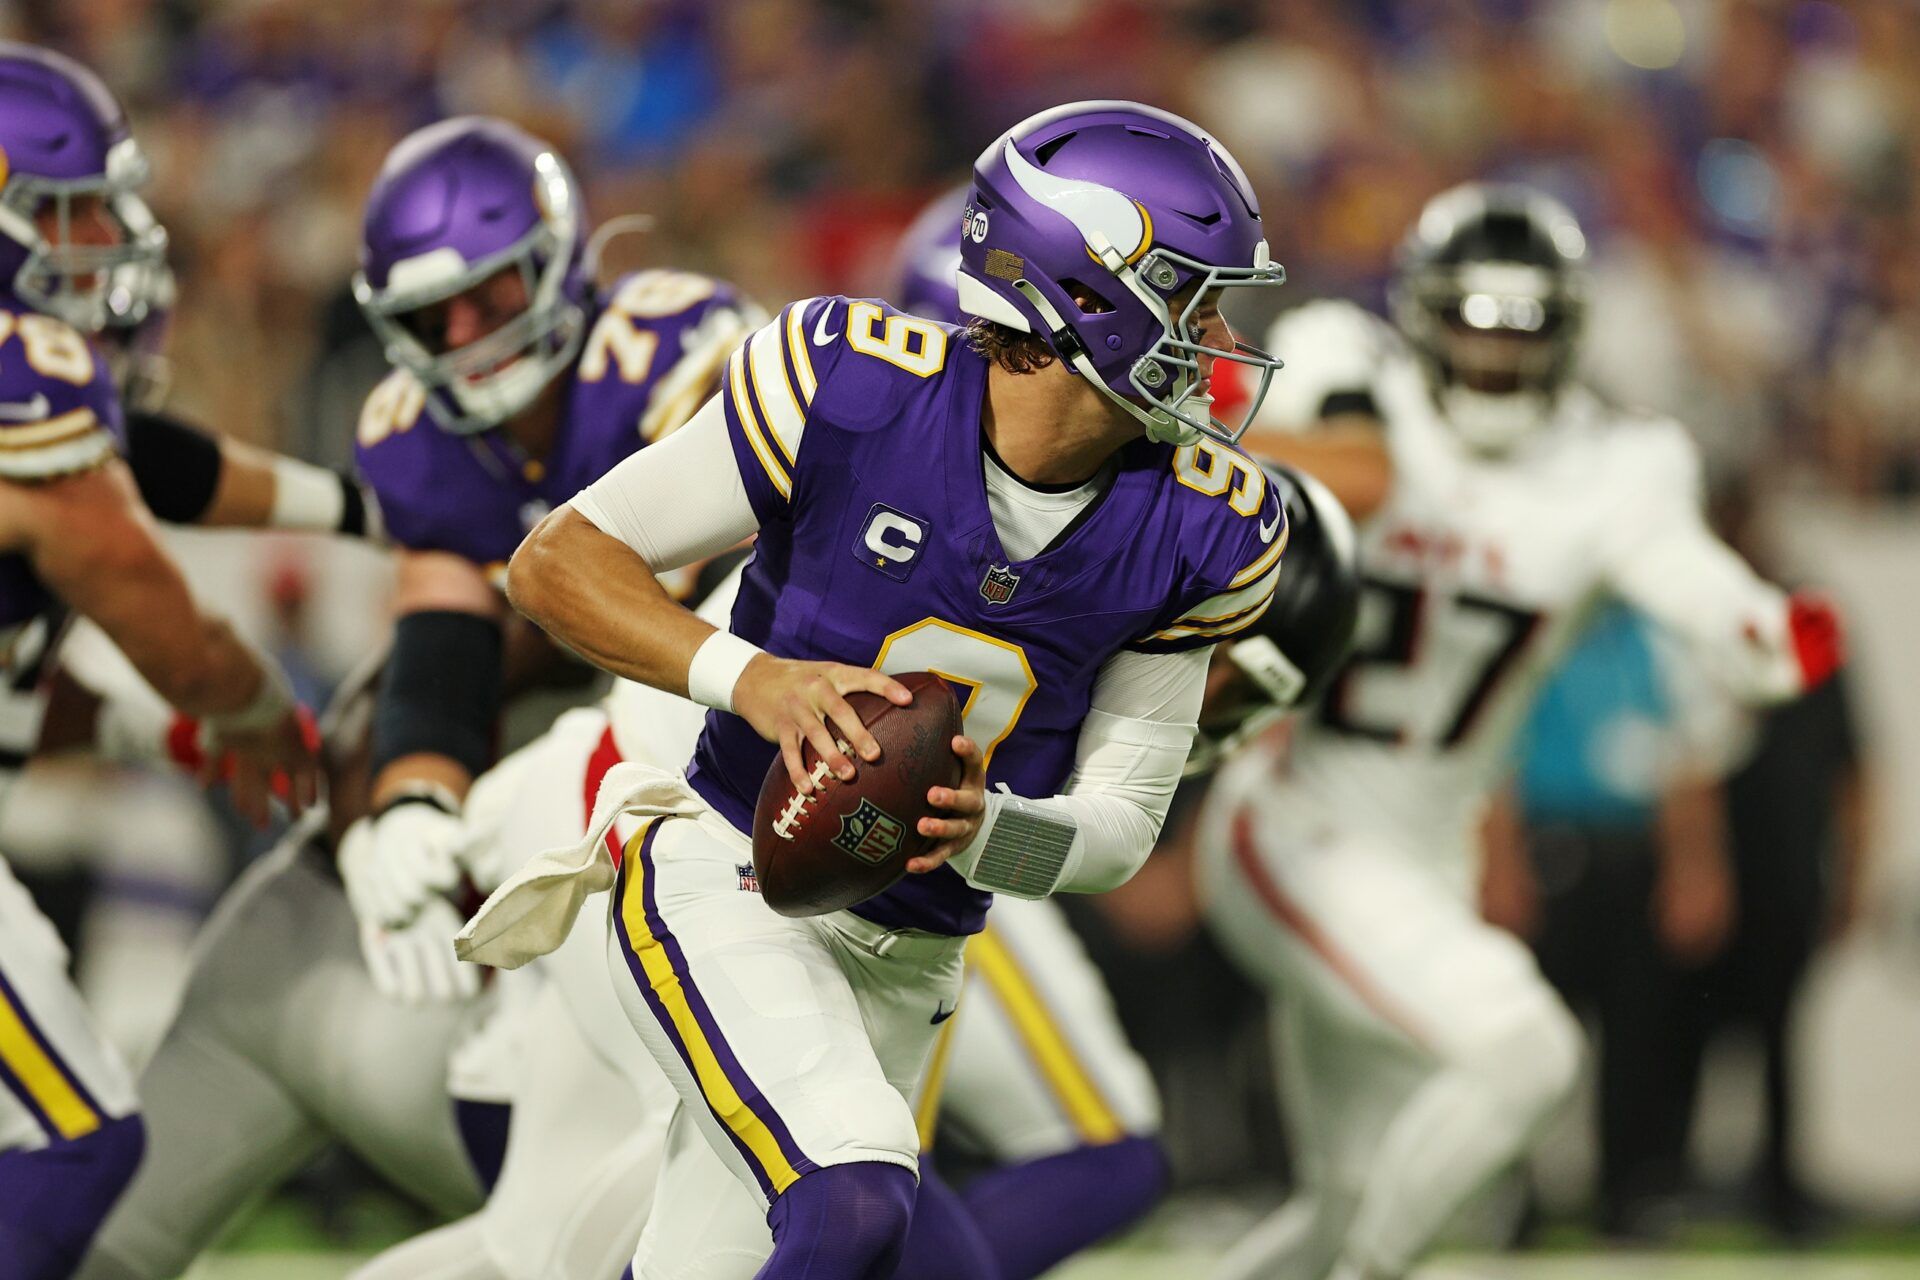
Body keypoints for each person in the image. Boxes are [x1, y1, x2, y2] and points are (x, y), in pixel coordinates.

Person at [467, 99, 1294, 1279]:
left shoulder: (1208, 524)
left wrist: (992, 829)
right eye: (1193, 295)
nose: (1216, 336)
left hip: (916, 956)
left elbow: (1119, 826)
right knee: (855, 1197)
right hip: (726, 869)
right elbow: (560, 562)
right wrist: (755, 681)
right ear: (1088, 291)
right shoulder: (850, 385)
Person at [1197, 182, 1843, 1280]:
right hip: (1297, 813)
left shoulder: (1616, 469)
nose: (1495, 361)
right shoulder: (1348, 371)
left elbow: (1693, 582)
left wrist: (1761, 627)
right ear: (1421, 317)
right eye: (1473, 329)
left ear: (1569, 334)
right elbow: (1268, 467)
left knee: (1350, 1199)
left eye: (1524, 334)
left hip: (1428, 854)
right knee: (1527, 1051)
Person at [0, 44, 318, 1279]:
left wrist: (166, 733)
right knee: (77, 1136)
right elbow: (150, 601)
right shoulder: (26, 377)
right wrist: (243, 706)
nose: (102, 237)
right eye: (68, 209)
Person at [336, 114, 761, 1003]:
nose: (463, 333)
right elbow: (441, 640)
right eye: (430, 316)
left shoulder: (667, 346)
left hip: (755, 698)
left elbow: (742, 592)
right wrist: (410, 796)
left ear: (553, 260)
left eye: (486, 297)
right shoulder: (416, 439)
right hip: (623, 736)